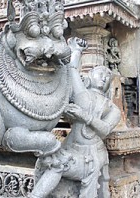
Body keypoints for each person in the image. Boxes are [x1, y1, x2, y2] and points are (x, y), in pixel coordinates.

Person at [30, 38, 121, 198]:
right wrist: (77, 51)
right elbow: (71, 70)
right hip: (71, 147)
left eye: (108, 76)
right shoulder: (83, 94)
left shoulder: (112, 108)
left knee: (58, 166)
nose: (105, 77)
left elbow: (105, 130)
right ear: (90, 76)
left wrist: (84, 116)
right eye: (100, 73)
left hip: (90, 155)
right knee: (48, 163)